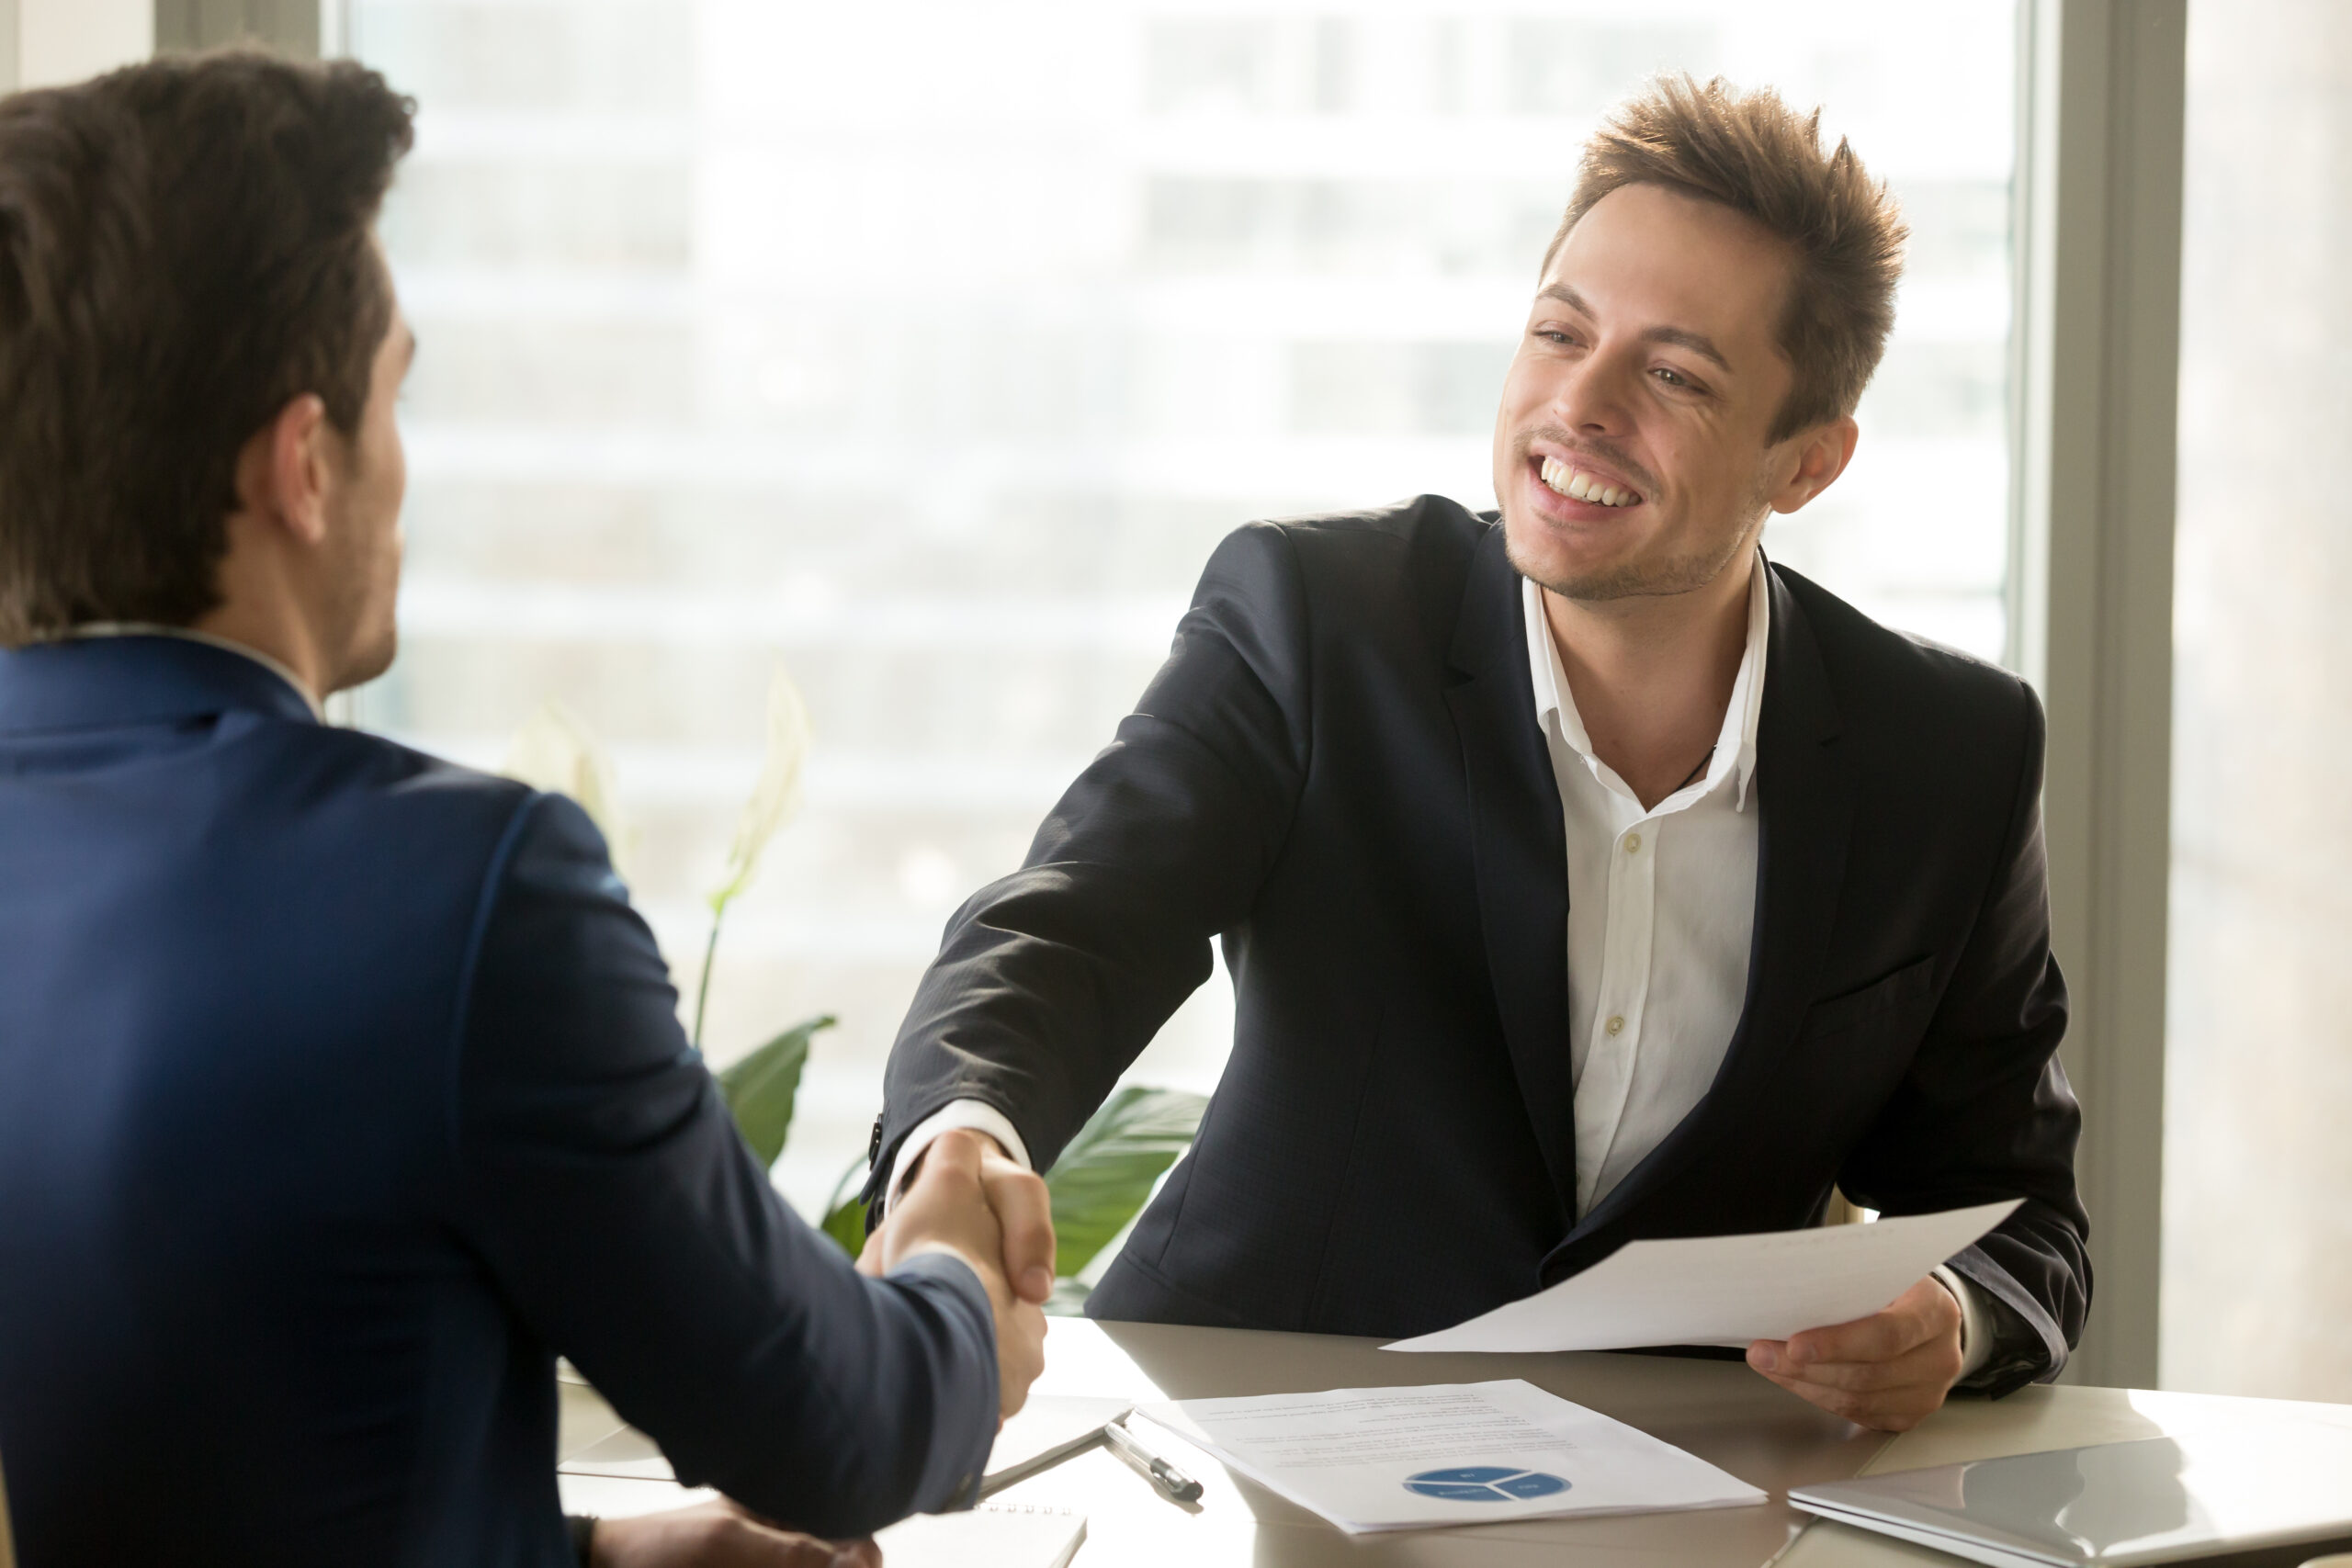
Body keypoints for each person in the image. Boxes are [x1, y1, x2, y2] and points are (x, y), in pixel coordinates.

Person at [868, 75, 2090, 1434]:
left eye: (1675, 374)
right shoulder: (1316, 620)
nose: (1578, 404)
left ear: (1806, 463)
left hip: (1678, 1496)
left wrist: (1951, 1318)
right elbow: (1076, 927)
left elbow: (2023, 1212)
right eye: (1559, 333)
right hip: (1247, 1447)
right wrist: (962, 1135)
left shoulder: (1950, 759)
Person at [0, 50, 1050, 1568]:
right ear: (304, 464)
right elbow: (839, 1429)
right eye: (390, 400)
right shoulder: (453, 895)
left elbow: (205, 1474)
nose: (402, 471)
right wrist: (956, 1276)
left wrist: (591, 1557)